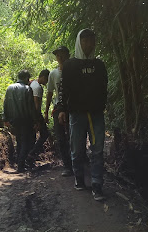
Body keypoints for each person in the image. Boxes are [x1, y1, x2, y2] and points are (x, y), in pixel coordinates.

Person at [58, 29, 108, 201]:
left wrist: (102, 105)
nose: (89, 44)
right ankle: (79, 178)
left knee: (98, 150)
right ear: (79, 42)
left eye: (91, 40)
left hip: (96, 114)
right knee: (77, 149)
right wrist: (62, 109)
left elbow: (104, 87)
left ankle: (97, 184)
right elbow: (64, 90)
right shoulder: (70, 65)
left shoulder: (99, 65)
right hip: (76, 114)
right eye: (85, 41)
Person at [44, 46, 73, 177]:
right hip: (58, 108)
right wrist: (46, 111)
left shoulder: (74, 70)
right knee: (61, 138)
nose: (60, 57)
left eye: (62, 54)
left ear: (68, 55)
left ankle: (78, 161)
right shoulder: (53, 74)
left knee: (74, 136)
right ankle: (67, 165)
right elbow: (50, 92)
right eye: (58, 55)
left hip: (73, 107)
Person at [3, 70, 39, 173]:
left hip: (13, 120)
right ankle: (21, 165)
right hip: (25, 119)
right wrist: (35, 121)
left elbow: (5, 104)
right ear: (27, 78)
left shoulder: (9, 88)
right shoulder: (27, 89)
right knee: (25, 142)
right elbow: (31, 107)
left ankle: (19, 163)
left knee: (19, 141)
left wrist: (5, 118)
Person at [27, 69, 50, 165]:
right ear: (44, 77)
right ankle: (31, 155)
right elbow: (36, 104)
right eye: (47, 80)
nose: (47, 82)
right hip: (35, 115)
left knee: (34, 136)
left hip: (31, 114)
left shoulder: (33, 84)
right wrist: (37, 121)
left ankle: (30, 157)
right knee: (44, 134)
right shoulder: (37, 88)